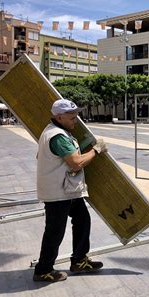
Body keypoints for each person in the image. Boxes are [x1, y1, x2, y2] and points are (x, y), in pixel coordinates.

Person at [33, 99, 108, 283]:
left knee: (82, 218)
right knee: (55, 230)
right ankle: (43, 270)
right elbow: (75, 163)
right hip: (58, 192)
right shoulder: (57, 135)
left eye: (76, 116)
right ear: (59, 117)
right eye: (72, 117)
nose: (76, 120)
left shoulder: (58, 132)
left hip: (66, 189)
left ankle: (79, 260)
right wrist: (96, 150)